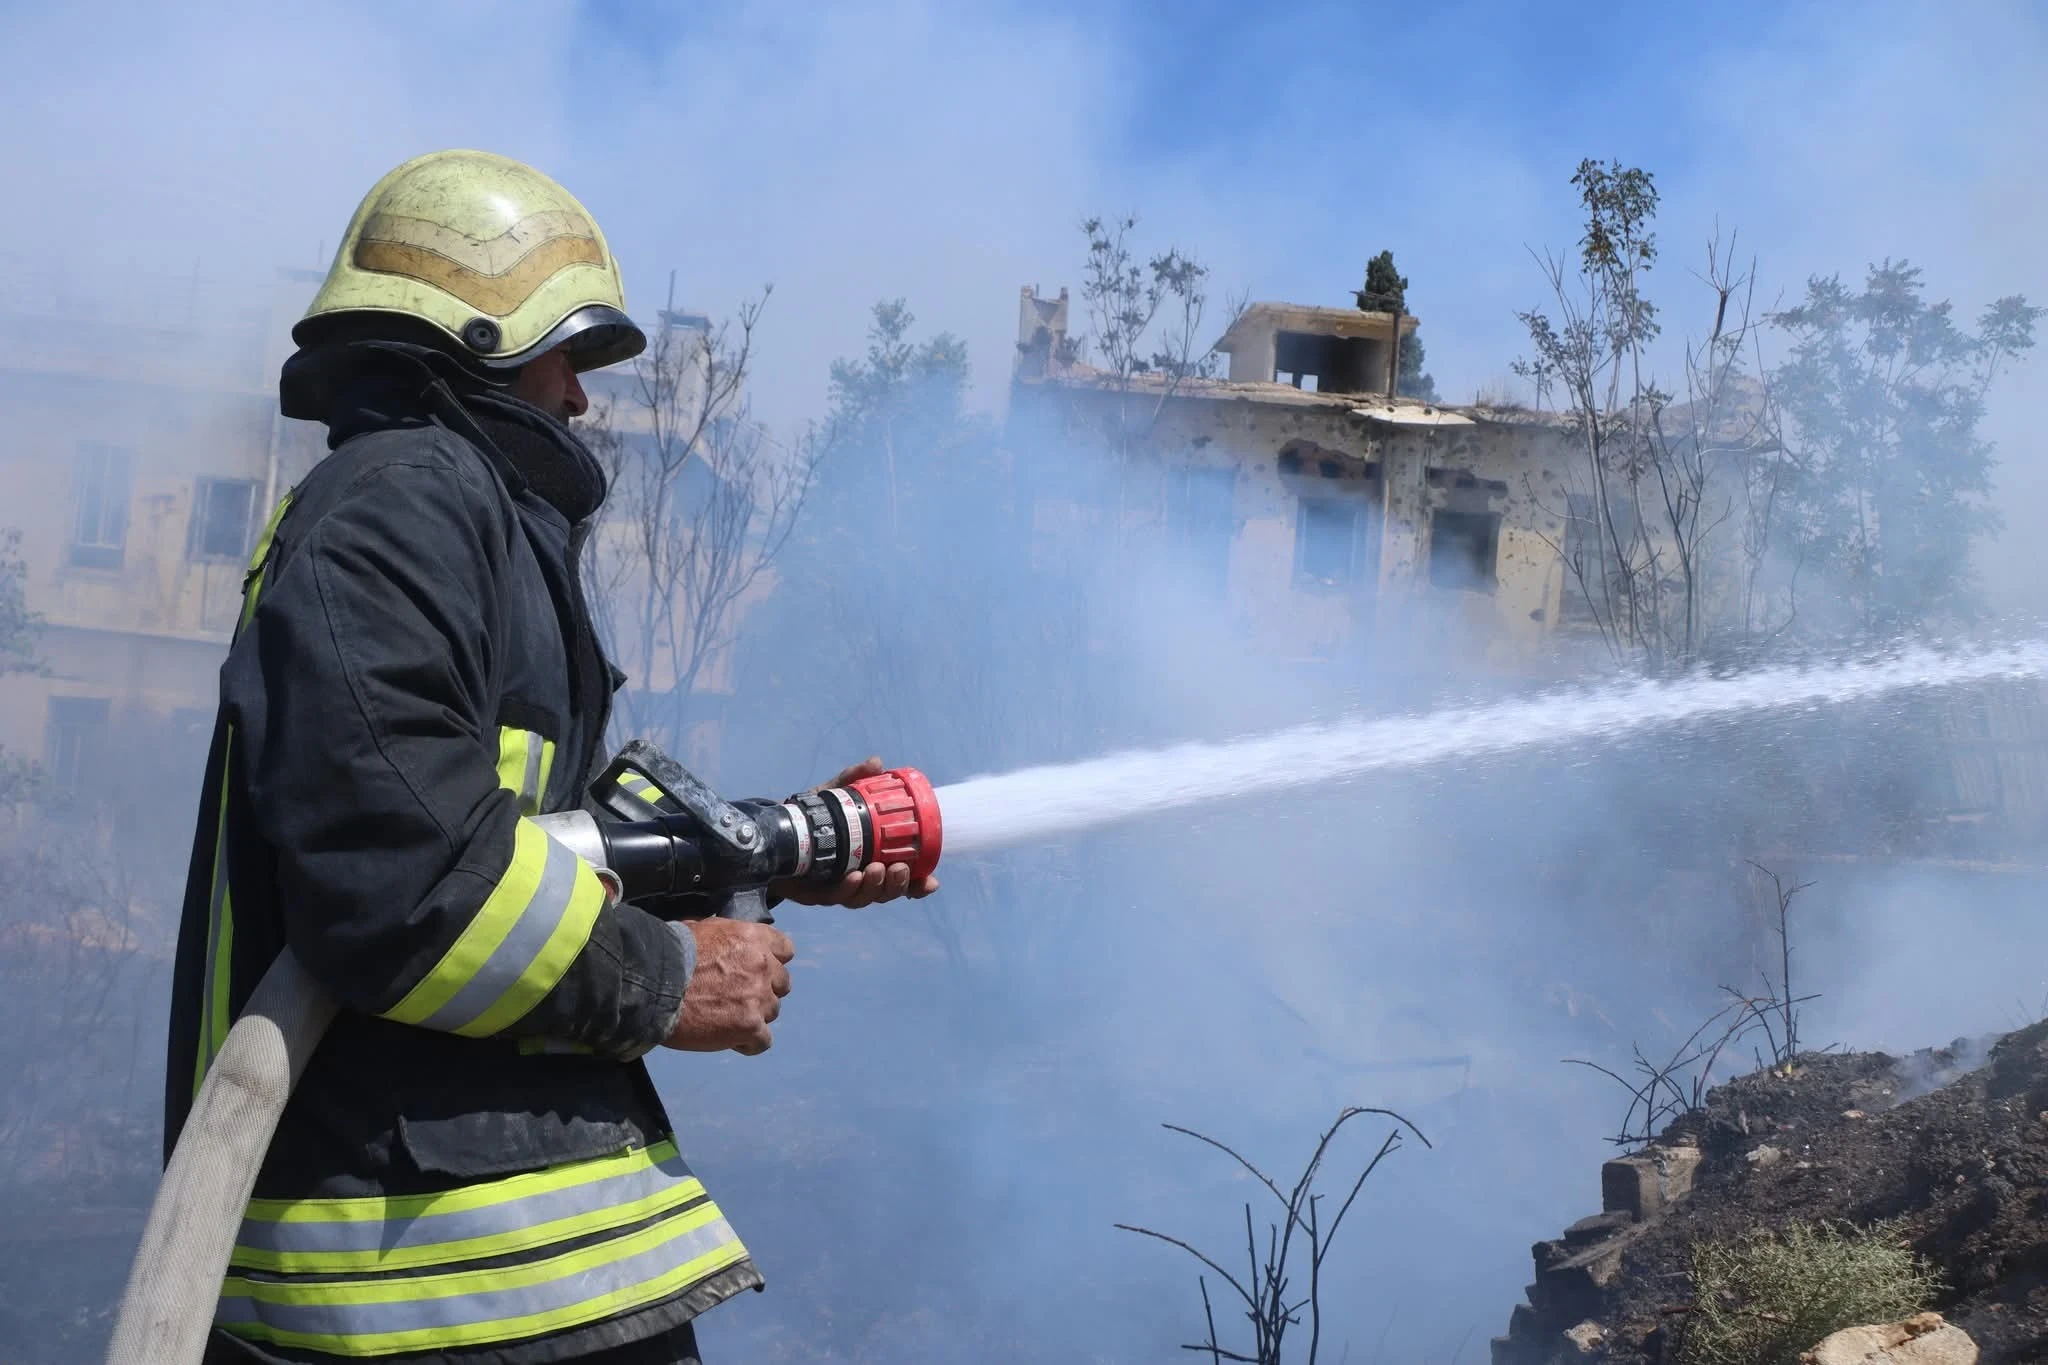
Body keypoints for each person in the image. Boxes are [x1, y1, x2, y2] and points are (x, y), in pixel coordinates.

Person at [164, 148, 935, 1365]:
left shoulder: (458, 517)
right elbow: (405, 883)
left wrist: (783, 848)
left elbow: (535, 839)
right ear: (482, 339)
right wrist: (668, 980)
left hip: (493, 1259)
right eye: (566, 357)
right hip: (425, 1281)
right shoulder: (398, 509)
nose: (579, 399)